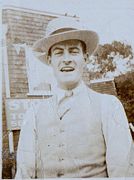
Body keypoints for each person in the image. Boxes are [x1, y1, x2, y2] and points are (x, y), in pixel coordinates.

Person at [15, 16, 133, 178]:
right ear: (50, 60)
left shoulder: (108, 106)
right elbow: (24, 174)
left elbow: (123, 172)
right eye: (58, 53)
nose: (66, 59)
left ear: (85, 58)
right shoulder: (33, 114)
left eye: (73, 51)